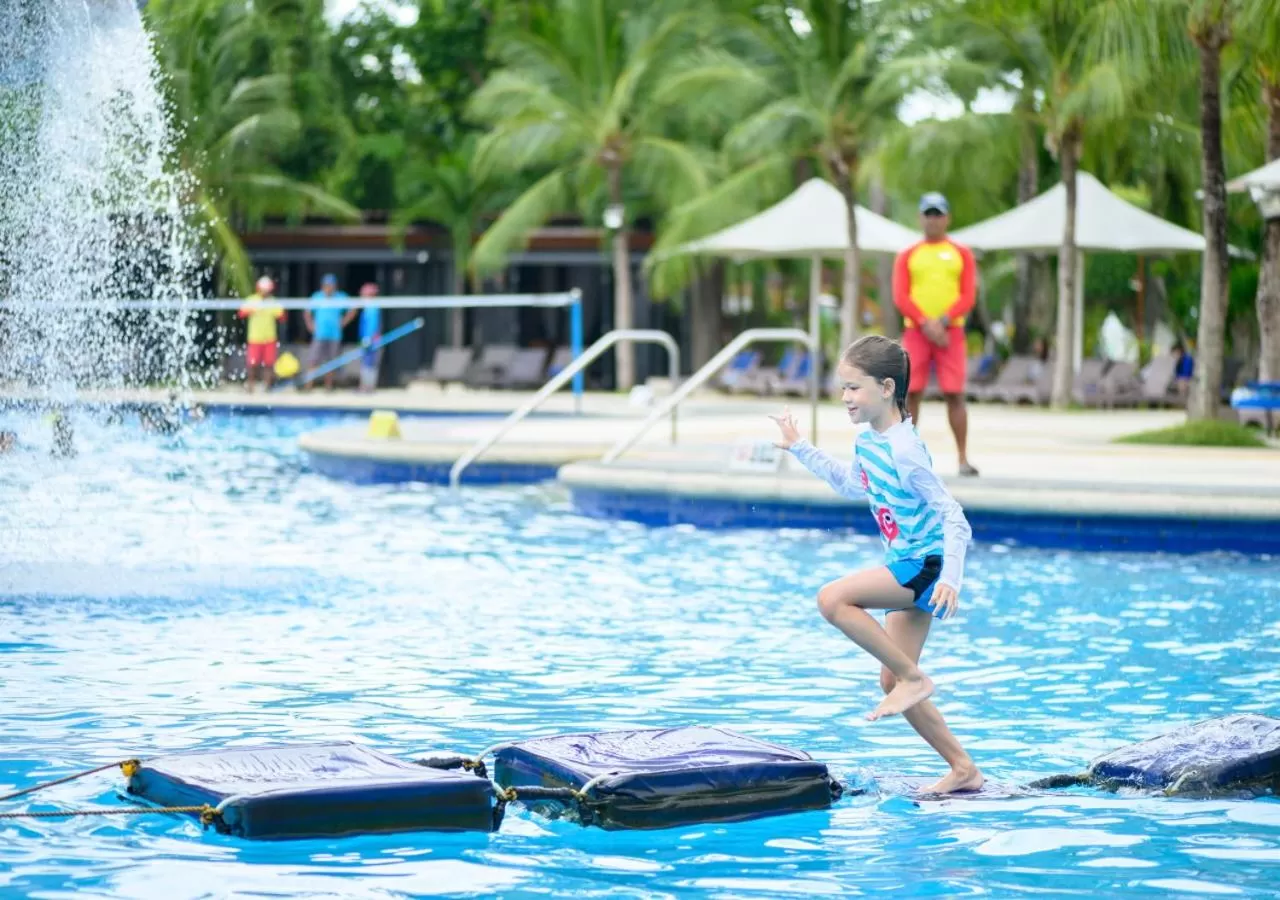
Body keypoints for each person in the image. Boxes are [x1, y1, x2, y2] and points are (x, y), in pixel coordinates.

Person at [769, 334, 983, 795]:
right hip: (908, 562)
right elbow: (852, 486)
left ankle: (915, 678)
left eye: (853, 388)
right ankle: (963, 767)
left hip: (923, 564)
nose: (844, 398)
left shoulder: (905, 450)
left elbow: (954, 517)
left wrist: (951, 579)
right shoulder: (871, 441)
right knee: (892, 679)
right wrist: (800, 447)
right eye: (842, 388)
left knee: (833, 599)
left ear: (887, 388)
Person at [893, 192, 979, 476]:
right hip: (917, 332)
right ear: (920, 218)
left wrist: (942, 321)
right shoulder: (908, 254)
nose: (933, 220)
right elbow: (901, 295)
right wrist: (925, 323)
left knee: (954, 394)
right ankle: (905, 458)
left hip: (950, 333)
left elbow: (967, 295)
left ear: (947, 218)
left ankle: (963, 458)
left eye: (937, 214)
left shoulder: (961, 253)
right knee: (911, 393)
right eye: (928, 214)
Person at [305, 273, 354, 391]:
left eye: (331, 286)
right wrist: (310, 325)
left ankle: (328, 386)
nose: (329, 288)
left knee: (331, 362)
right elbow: (307, 312)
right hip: (319, 335)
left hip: (334, 335)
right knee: (313, 360)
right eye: (327, 285)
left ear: (334, 286)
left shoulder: (340, 297)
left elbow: (353, 309)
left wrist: (344, 322)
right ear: (323, 286)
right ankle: (308, 386)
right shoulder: (317, 297)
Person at [238, 276, 285, 392]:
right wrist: (252, 310)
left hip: (269, 338)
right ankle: (251, 385)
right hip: (255, 337)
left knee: (269, 364)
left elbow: (282, 317)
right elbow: (240, 313)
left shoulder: (273, 301)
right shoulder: (252, 300)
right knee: (252, 364)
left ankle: (267, 386)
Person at [356, 282, 383, 393]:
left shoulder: (372, 307)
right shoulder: (368, 307)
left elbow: (373, 325)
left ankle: (368, 387)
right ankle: (365, 386)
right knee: (365, 364)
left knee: (370, 364)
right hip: (365, 340)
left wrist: (369, 338)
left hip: (372, 342)